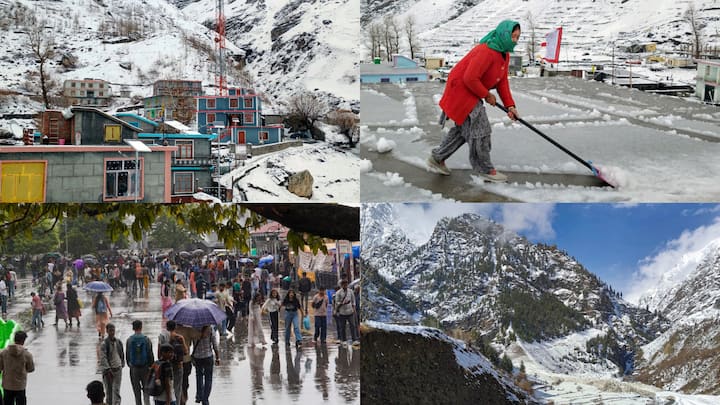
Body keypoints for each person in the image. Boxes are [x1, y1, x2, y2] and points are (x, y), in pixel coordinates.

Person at [427, 20, 522, 182]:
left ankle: (437, 158)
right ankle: (485, 169)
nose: (515, 41)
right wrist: (486, 95)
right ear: (503, 34)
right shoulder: (486, 51)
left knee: (464, 131)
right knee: (480, 130)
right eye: (513, 36)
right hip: (461, 91)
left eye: (517, 37)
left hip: (472, 91)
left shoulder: (503, 54)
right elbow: (469, 78)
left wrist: (510, 106)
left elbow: (502, 81)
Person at [0, 331, 34, 405]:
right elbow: (31, 369)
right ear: (23, 340)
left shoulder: (3, 353)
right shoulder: (27, 354)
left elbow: (0, 367)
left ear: (14, 339)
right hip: (20, 386)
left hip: (7, 385)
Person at [158, 320, 186, 405]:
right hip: (178, 367)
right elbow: (186, 352)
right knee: (177, 390)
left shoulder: (162, 336)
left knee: (167, 389)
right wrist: (183, 341)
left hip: (166, 367)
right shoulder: (180, 337)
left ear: (167, 327)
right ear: (175, 327)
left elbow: (159, 355)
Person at [126, 320, 154, 405]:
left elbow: (127, 355)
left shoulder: (129, 340)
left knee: (136, 392)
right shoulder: (146, 339)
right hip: (145, 368)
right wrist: (151, 367)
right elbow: (150, 354)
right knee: (146, 391)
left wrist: (130, 365)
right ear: (141, 327)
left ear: (133, 328)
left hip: (134, 368)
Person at [192, 325, 220, 405]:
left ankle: (199, 396)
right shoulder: (210, 328)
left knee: (199, 376)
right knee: (208, 378)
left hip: (197, 357)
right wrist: (218, 357)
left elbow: (191, 343)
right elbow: (215, 344)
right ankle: (205, 399)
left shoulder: (193, 328)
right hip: (208, 356)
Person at [99, 323, 124, 405]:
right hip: (108, 372)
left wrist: (122, 364)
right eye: (110, 331)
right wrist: (108, 369)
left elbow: (121, 354)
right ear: (107, 331)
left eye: (113, 330)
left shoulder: (119, 342)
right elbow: (103, 358)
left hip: (118, 369)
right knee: (109, 392)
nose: (112, 332)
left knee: (116, 391)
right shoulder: (104, 344)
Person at [333, 279, 358, 345]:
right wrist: (343, 303)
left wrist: (354, 308)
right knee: (342, 327)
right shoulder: (338, 293)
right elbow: (337, 302)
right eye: (344, 284)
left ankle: (354, 339)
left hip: (350, 312)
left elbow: (353, 301)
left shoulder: (350, 291)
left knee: (352, 325)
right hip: (342, 312)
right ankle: (344, 340)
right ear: (341, 285)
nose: (345, 286)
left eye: (346, 284)